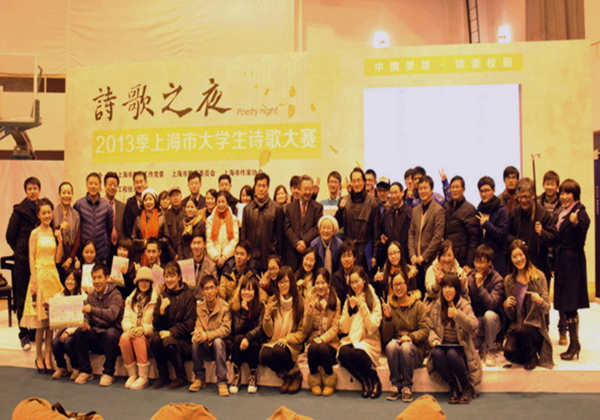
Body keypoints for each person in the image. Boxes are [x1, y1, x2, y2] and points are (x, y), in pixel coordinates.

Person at [21, 198, 64, 373]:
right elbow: (31, 258)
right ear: (38, 215)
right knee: (40, 323)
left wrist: (60, 241)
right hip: (39, 276)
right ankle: (38, 356)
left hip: (52, 276)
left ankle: (48, 356)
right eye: (43, 213)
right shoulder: (35, 233)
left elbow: (58, 259)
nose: (47, 215)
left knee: (50, 323)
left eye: (49, 212)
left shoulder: (54, 232)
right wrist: (34, 281)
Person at [427, 273, 481, 404]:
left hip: (461, 349)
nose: (447, 290)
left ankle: (466, 387)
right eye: (444, 287)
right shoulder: (438, 305)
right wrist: (434, 339)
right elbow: (430, 328)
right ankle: (453, 387)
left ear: (456, 289)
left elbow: (474, 326)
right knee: (436, 353)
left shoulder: (464, 305)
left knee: (452, 353)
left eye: (451, 287)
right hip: (443, 346)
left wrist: (457, 315)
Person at [503, 240, 553, 370]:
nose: (519, 259)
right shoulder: (509, 281)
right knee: (508, 352)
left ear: (526, 254)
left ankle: (531, 356)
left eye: (521, 255)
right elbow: (511, 316)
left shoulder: (539, 276)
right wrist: (507, 305)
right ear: (511, 259)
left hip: (535, 328)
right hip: (517, 327)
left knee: (522, 329)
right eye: (514, 256)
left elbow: (547, 309)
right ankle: (526, 353)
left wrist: (539, 301)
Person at [554, 179, 590, 361]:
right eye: (562, 193)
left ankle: (574, 343)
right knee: (565, 303)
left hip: (573, 262)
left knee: (570, 303)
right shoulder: (562, 212)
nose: (564, 196)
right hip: (562, 261)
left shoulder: (580, 212)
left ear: (575, 195)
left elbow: (581, 239)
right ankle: (573, 343)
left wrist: (575, 225)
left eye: (568, 193)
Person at [72, 263, 124, 386]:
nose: (96, 281)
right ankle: (86, 371)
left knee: (111, 334)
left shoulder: (116, 294)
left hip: (111, 337)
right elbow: (86, 314)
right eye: (94, 278)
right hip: (96, 335)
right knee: (79, 332)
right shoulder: (91, 297)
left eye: (99, 277)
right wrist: (85, 322)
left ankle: (108, 373)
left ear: (107, 278)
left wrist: (92, 310)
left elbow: (112, 315)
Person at [382, 272, 429, 402]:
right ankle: (395, 384)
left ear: (407, 284)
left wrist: (410, 337)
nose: (398, 287)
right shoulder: (390, 307)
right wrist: (388, 318)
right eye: (395, 285)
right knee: (391, 346)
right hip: (397, 347)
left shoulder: (418, 305)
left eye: (401, 283)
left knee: (406, 347)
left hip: (415, 350)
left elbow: (425, 330)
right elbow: (386, 338)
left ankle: (407, 386)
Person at [6, 176, 41, 350]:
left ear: (39, 190)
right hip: (22, 263)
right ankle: (23, 334)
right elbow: (10, 236)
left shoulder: (42, 208)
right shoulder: (19, 211)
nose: (33, 192)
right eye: (30, 189)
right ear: (26, 191)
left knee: (35, 298)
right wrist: (20, 252)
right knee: (21, 298)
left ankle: (34, 331)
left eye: (35, 188)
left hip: (38, 263)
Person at [338, 266, 382, 399]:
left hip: (369, 341)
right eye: (352, 282)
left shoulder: (373, 298)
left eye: (357, 281)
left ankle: (375, 380)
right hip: (352, 339)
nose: (354, 285)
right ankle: (364, 381)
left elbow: (372, 326)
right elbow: (344, 329)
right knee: (343, 352)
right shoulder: (349, 299)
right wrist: (350, 310)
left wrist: (362, 306)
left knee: (357, 353)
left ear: (364, 280)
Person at [151, 261, 196, 389]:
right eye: (166, 276)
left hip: (184, 340)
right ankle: (163, 375)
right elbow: (156, 325)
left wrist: (171, 332)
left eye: (172, 276)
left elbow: (190, 324)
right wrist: (161, 312)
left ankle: (181, 376)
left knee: (168, 341)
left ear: (179, 277)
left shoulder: (188, 296)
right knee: (154, 339)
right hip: (165, 337)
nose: (169, 280)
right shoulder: (162, 296)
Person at [260, 266, 305, 394]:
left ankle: (296, 375)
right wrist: (267, 316)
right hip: (275, 341)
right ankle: (287, 376)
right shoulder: (273, 301)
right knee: (265, 354)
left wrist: (287, 339)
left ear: (291, 282)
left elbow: (302, 333)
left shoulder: (300, 303)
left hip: (291, 344)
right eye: (280, 282)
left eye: (285, 281)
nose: (283, 285)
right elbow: (269, 333)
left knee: (278, 349)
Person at [507, 177, 557, 283]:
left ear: (533, 195)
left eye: (526, 197)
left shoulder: (543, 214)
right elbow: (506, 235)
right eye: (520, 197)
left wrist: (542, 233)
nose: (523, 200)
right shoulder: (513, 213)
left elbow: (553, 238)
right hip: (518, 267)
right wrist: (516, 243)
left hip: (539, 266)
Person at [189, 275, 232, 396]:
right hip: (205, 344)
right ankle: (199, 378)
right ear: (202, 292)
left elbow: (225, 329)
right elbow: (198, 324)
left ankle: (222, 381)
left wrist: (207, 335)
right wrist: (197, 333)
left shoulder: (225, 307)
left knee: (217, 341)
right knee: (195, 341)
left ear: (216, 289)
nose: (209, 292)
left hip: (222, 346)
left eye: (212, 288)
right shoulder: (199, 307)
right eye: (206, 289)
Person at [303, 268, 341, 396]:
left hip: (330, 345)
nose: (320, 286)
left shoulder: (336, 301)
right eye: (317, 283)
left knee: (322, 347)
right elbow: (306, 329)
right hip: (314, 343)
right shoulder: (310, 300)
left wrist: (322, 339)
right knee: (313, 347)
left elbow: (335, 327)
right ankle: (315, 381)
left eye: (323, 283)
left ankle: (330, 380)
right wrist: (309, 314)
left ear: (328, 283)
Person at [119, 266, 158, 390]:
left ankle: (143, 377)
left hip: (148, 336)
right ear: (137, 282)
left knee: (138, 338)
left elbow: (157, 324)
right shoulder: (130, 299)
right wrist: (131, 328)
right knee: (124, 337)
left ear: (151, 283)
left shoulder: (156, 299)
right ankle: (132, 374)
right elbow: (125, 320)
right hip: (133, 331)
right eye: (141, 280)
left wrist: (143, 328)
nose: (144, 283)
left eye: (147, 281)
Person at [467, 245, 505, 367]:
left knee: (489, 315)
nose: (478, 266)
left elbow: (492, 305)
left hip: (494, 320)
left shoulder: (497, 279)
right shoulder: (470, 278)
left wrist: (480, 287)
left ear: (489, 263)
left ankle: (490, 351)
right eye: (476, 262)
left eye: (482, 262)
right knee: (473, 345)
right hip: (478, 319)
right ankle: (483, 345)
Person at [336, 167, 380, 271]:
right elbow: (337, 225)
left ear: (364, 182)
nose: (356, 184)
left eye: (359, 180)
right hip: (348, 251)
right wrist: (341, 210)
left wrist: (375, 255)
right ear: (351, 183)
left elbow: (376, 232)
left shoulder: (373, 203)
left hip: (366, 251)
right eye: (354, 181)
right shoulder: (345, 201)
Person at [408, 175, 445, 296]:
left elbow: (437, 237)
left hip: (430, 261)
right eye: (420, 188)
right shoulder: (415, 210)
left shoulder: (438, 210)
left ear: (431, 190)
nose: (423, 191)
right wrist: (412, 254)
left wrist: (424, 257)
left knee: (431, 295)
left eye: (425, 188)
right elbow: (411, 233)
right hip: (415, 262)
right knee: (417, 295)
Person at [228, 274, 264, 394]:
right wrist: (244, 311)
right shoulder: (235, 306)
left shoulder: (261, 306)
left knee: (254, 344)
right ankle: (236, 375)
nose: (246, 292)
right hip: (239, 342)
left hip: (254, 340)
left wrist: (248, 338)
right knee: (238, 338)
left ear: (255, 292)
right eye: (244, 289)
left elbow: (260, 328)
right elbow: (237, 329)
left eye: (250, 289)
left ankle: (253, 375)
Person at [241, 172, 284, 272]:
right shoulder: (247, 209)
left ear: (268, 187)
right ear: (255, 187)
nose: (261, 189)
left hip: (270, 261)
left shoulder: (276, 208)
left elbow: (280, 238)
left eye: (264, 186)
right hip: (252, 261)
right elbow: (244, 236)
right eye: (258, 186)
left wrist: (278, 258)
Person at [51, 269, 86, 380]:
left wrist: (68, 331)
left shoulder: (83, 296)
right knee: (55, 343)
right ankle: (61, 367)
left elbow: (82, 319)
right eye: (68, 279)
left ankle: (76, 367)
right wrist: (49, 308)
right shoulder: (59, 296)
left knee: (68, 342)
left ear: (78, 281)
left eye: (73, 279)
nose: (69, 282)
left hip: (76, 331)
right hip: (62, 330)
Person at [284, 175, 323, 270]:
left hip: (309, 252)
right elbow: (287, 228)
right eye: (305, 189)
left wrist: (304, 241)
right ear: (299, 189)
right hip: (292, 253)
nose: (308, 192)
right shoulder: (289, 208)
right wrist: (297, 243)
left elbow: (317, 227)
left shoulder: (318, 207)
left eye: (310, 189)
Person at [74, 172, 114, 263]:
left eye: (96, 184)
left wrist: (105, 249)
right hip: (84, 253)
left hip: (101, 252)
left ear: (100, 186)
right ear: (86, 185)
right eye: (90, 183)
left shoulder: (107, 206)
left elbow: (109, 229)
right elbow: (76, 229)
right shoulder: (79, 204)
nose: (93, 186)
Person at [475, 176, 509, 277]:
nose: (484, 194)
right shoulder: (479, 211)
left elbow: (502, 235)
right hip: (481, 261)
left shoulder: (501, 211)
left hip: (497, 260)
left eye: (487, 190)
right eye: (481, 191)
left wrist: (487, 224)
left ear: (493, 191)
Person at [445, 175, 479, 272]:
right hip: (449, 258)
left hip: (463, 261)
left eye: (457, 187)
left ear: (463, 189)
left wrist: (469, 264)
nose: (454, 190)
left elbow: (474, 239)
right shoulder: (448, 207)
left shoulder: (469, 209)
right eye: (452, 187)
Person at [132, 188, 173, 265]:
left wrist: (154, 244)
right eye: (146, 200)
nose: (148, 202)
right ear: (143, 202)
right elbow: (133, 239)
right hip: (141, 257)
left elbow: (167, 238)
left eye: (150, 199)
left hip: (159, 257)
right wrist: (144, 243)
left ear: (155, 201)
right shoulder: (138, 219)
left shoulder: (161, 217)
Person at [424, 240, 467, 307]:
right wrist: (437, 284)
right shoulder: (432, 270)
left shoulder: (460, 272)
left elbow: (465, 295)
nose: (446, 259)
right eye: (443, 255)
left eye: (449, 255)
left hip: (456, 306)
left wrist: (462, 285)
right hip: (435, 305)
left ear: (454, 256)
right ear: (439, 256)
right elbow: (430, 294)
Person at [378, 182, 412, 265]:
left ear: (402, 193)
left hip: (406, 258)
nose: (393, 196)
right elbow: (382, 232)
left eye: (396, 192)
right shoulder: (387, 214)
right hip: (390, 258)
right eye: (391, 193)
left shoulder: (410, 213)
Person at [53, 182, 81, 280]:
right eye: (63, 193)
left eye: (69, 193)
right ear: (59, 194)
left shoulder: (76, 215)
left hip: (71, 259)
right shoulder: (53, 213)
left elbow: (77, 238)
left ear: (72, 194)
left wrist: (70, 259)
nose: (66, 196)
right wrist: (59, 226)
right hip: (55, 259)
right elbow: (50, 233)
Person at [206, 190, 240, 270]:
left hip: (229, 259)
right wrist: (217, 258)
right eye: (219, 202)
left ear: (227, 203)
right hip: (213, 259)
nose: (221, 204)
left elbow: (235, 241)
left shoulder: (234, 219)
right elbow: (209, 242)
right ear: (216, 203)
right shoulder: (210, 220)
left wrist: (224, 257)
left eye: (223, 201)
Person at [103, 172, 126, 258]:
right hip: (104, 247)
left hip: (119, 248)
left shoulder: (123, 206)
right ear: (105, 185)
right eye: (110, 185)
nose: (112, 187)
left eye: (115, 185)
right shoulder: (99, 205)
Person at [189, 233, 217, 300]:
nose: (196, 246)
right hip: (189, 300)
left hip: (205, 300)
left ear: (204, 245)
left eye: (199, 243)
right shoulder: (186, 264)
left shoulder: (211, 265)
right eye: (194, 243)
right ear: (191, 245)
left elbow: (215, 287)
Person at [330, 240, 357, 307]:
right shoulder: (336, 277)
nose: (346, 259)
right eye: (343, 256)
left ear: (354, 258)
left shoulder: (360, 275)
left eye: (349, 256)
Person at [123, 171, 148, 238]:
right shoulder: (130, 202)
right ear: (134, 184)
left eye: (141, 182)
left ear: (146, 182)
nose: (139, 185)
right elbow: (127, 225)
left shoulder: (152, 200)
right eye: (136, 182)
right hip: (134, 241)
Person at [164, 186, 185, 260]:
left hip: (185, 254)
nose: (175, 198)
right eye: (173, 196)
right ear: (169, 199)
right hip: (170, 256)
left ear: (181, 197)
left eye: (177, 195)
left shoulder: (186, 213)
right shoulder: (166, 215)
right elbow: (165, 237)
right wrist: (173, 254)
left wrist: (181, 254)